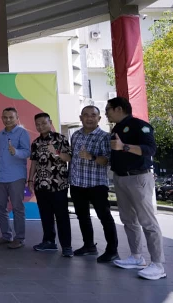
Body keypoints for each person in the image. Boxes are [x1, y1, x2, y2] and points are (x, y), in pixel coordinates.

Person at [106, 97, 166, 280]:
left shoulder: (140, 125)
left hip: (138, 177)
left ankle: (158, 265)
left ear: (119, 109)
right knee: (128, 220)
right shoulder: (116, 128)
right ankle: (136, 257)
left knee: (148, 222)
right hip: (121, 178)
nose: (106, 112)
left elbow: (150, 149)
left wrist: (124, 147)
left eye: (108, 109)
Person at [69, 105, 119, 263]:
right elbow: (73, 158)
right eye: (86, 115)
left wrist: (91, 157)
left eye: (93, 115)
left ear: (99, 118)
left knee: (104, 217)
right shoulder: (75, 135)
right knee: (82, 216)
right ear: (80, 117)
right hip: (77, 183)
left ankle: (112, 250)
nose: (89, 118)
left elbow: (106, 160)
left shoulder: (105, 136)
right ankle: (89, 246)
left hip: (96, 184)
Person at [28, 113, 73, 257]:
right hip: (41, 185)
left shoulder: (60, 138)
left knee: (62, 216)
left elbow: (69, 157)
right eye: (38, 124)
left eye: (43, 123)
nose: (40, 126)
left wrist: (57, 153)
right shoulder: (35, 142)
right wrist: (30, 180)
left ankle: (66, 246)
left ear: (50, 122)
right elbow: (34, 162)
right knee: (45, 215)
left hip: (58, 184)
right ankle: (49, 242)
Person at [0, 107, 31, 249]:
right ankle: (6, 235)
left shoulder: (22, 132)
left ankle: (20, 238)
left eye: (11, 117)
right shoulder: (0, 135)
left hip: (16, 177)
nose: (7, 120)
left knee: (17, 208)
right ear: (2, 118)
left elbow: (27, 152)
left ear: (17, 117)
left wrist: (16, 151)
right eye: (5, 117)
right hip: (0, 177)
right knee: (0, 206)